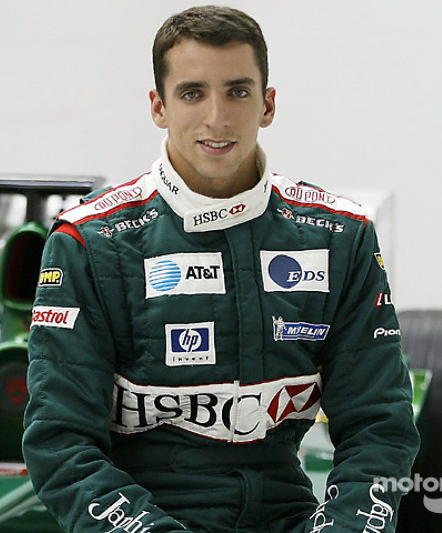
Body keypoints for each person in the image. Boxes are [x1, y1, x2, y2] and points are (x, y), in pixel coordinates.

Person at [23, 5, 420, 532]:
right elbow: (61, 442)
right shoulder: (88, 242)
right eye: (192, 93)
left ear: (268, 103)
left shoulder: (339, 236)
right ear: (158, 106)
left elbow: (380, 425)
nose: (218, 117)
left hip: (287, 514)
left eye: (237, 91)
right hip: (142, 517)